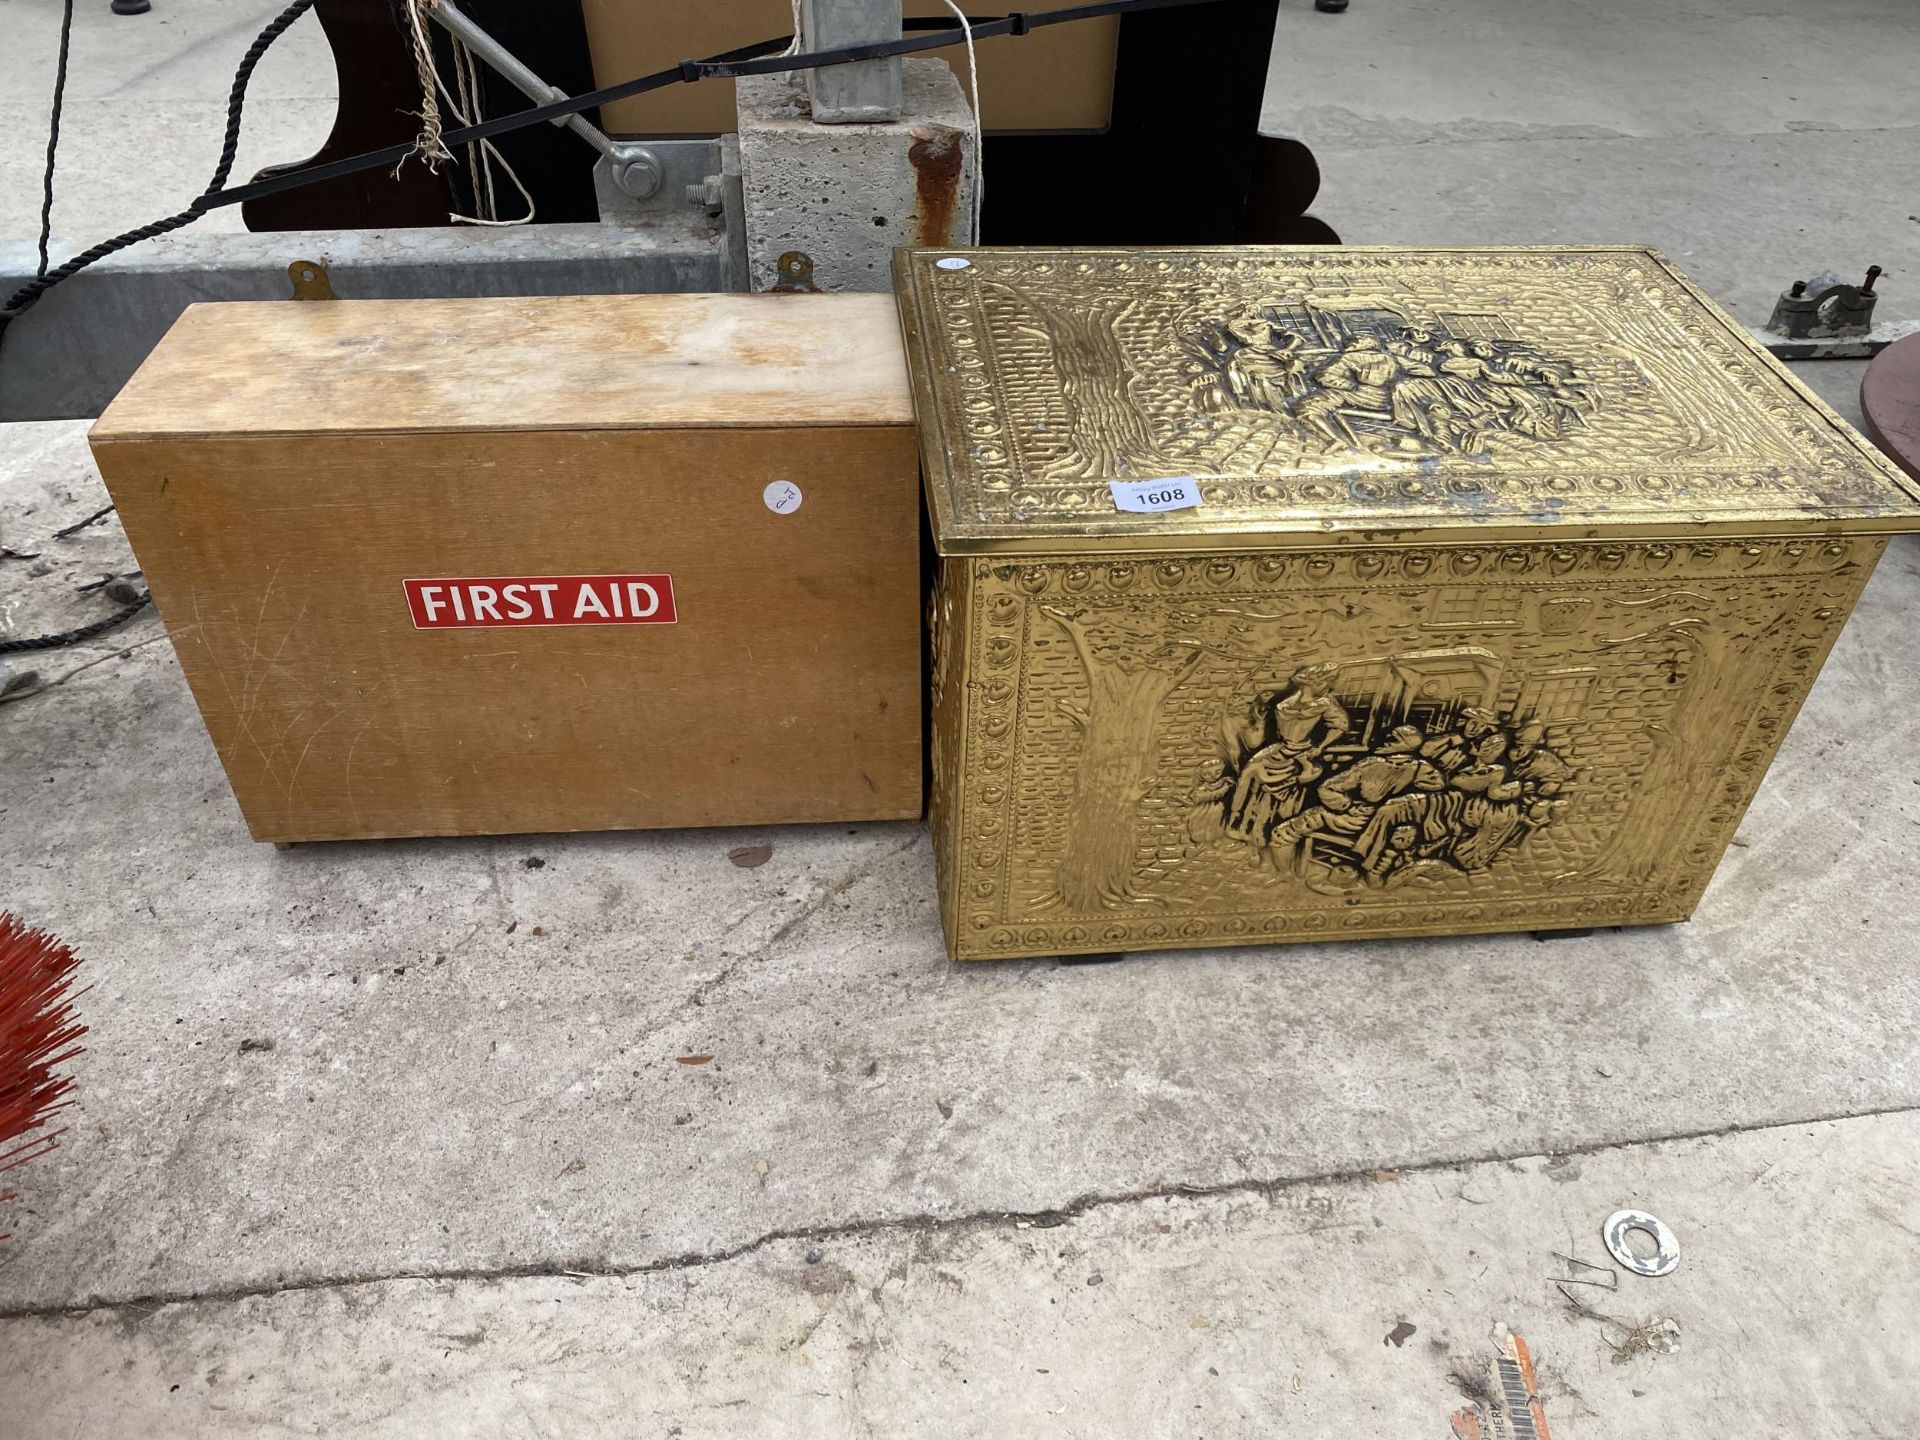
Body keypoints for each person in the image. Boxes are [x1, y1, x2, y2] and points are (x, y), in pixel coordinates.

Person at [1267, 724, 1448, 876]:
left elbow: (1328, 788)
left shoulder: (1371, 764)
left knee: (1282, 832)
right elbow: (1438, 787)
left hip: (1357, 819)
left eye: (1393, 739)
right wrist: (1399, 804)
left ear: (1406, 745)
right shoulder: (1421, 768)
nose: (1385, 740)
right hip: (1388, 825)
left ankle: (1284, 876)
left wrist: (1347, 805)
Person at [1223, 664, 1351, 843]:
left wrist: (1321, 746)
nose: (1328, 687)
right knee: (1249, 770)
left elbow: (1340, 725)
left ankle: (1264, 830)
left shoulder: (1325, 703)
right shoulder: (1285, 704)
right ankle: (1237, 821)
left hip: (1302, 751)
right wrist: (1259, 722)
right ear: (1310, 683)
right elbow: (1257, 741)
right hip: (1280, 748)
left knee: (1279, 786)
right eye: (1325, 682)